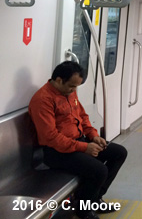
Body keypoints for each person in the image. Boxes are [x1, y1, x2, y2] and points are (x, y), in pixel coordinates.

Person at [29, 61, 128, 219]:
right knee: (98, 170)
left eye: (76, 87)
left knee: (119, 153)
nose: (74, 90)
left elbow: (82, 116)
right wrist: (84, 147)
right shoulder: (43, 100)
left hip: (77, 141)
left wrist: (93, 136)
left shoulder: (69, 91)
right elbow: (51, 137)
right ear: (59, 80)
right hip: (56, 152)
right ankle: (83, 210)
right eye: (72, 86)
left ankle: (94, 199)